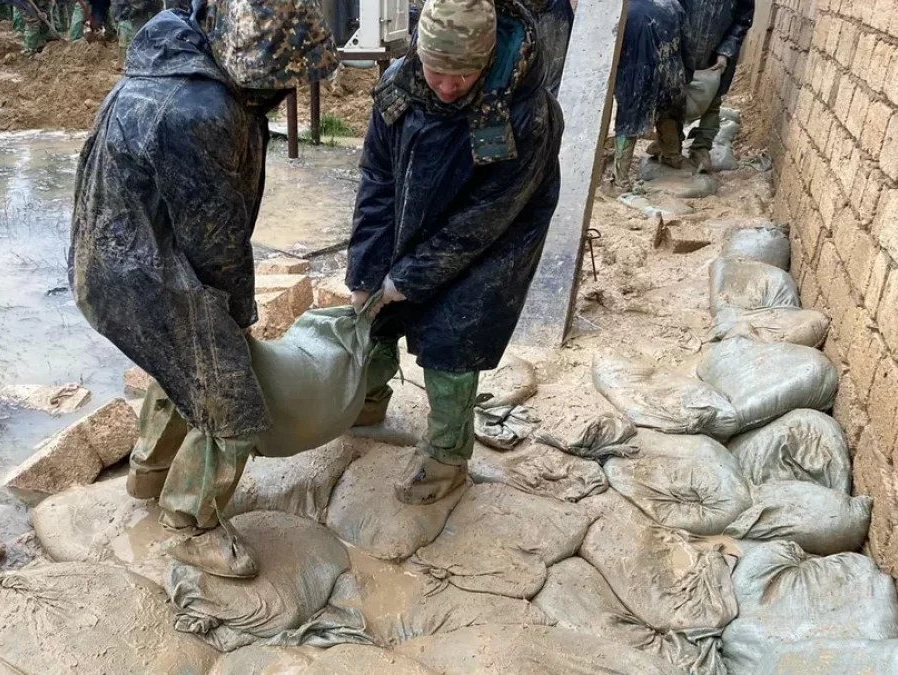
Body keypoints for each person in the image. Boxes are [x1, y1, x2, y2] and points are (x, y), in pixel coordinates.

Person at [69, 0, 337, 577]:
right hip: (146, 273)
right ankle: (192, 525)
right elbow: (214, 242)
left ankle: (148, 471)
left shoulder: (175, 62)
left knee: (181, 364)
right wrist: (237, 317)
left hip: (110, 260)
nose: (283, 95)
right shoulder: (198, 110)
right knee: (232, 404)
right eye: (279, 85)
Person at [347, 0, 563, 504]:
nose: (447, 87)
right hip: (413, 208)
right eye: (437, 71)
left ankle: (446, 456)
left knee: (452, 339)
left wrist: (409, 279)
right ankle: (368, 399)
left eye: (463, 75)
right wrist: (367, 272)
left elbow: (485, 219)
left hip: (495, 236)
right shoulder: (400, 87)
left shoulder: (524, 115)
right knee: (374, 316)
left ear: (486, 61)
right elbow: (377, 179)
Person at [610, 0, 687, 188]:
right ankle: (673, 156)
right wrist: (686, 72)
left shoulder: (622, 10)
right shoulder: (672, 5)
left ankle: (619, 182)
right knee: (668, 112)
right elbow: (688, 43)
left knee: (628, 123)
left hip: (636, 75)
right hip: (670, 71)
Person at [678, 0, 755, 171]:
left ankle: (701, 148)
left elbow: (743, 19)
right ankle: (671, 144)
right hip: (683, 45)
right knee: (674, 98)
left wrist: (725, 51)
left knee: (713, 102)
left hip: (718, 56)